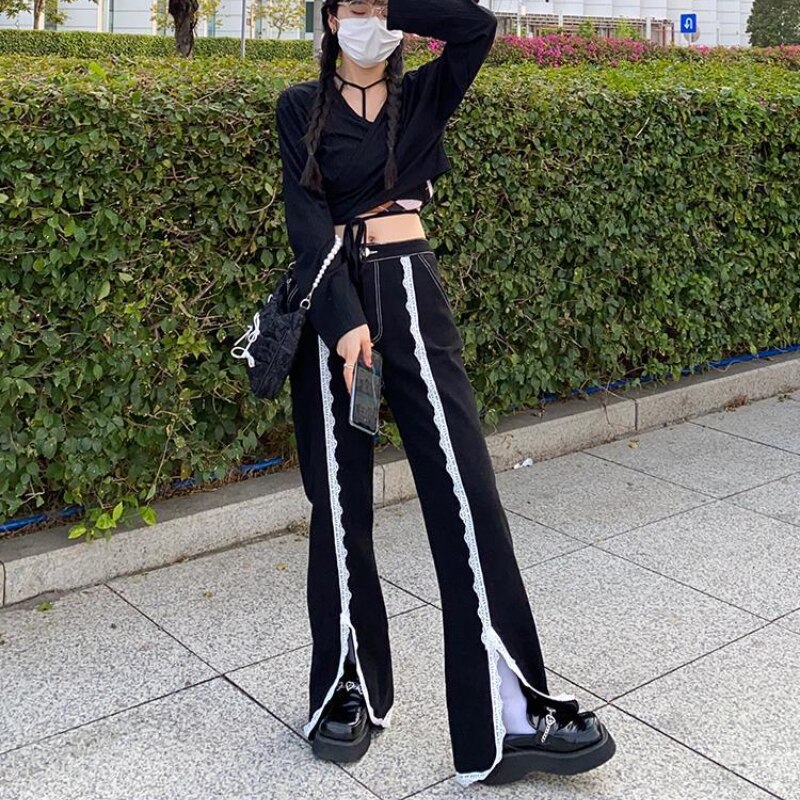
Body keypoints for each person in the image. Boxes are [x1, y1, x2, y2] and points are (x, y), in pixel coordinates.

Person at [275, 0, 617, 787]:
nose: (371, 19)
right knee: (340, 504)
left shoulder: (424, 95)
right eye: (355, 7)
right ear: (329, 20)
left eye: (381, 7)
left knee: (467, 494)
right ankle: (347, 687)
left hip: (411, 297)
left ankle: (510, 714)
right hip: (334, 304)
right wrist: (343, 324)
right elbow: (305, 219)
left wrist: (392, 3)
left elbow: (476, 27)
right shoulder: (299, 107)